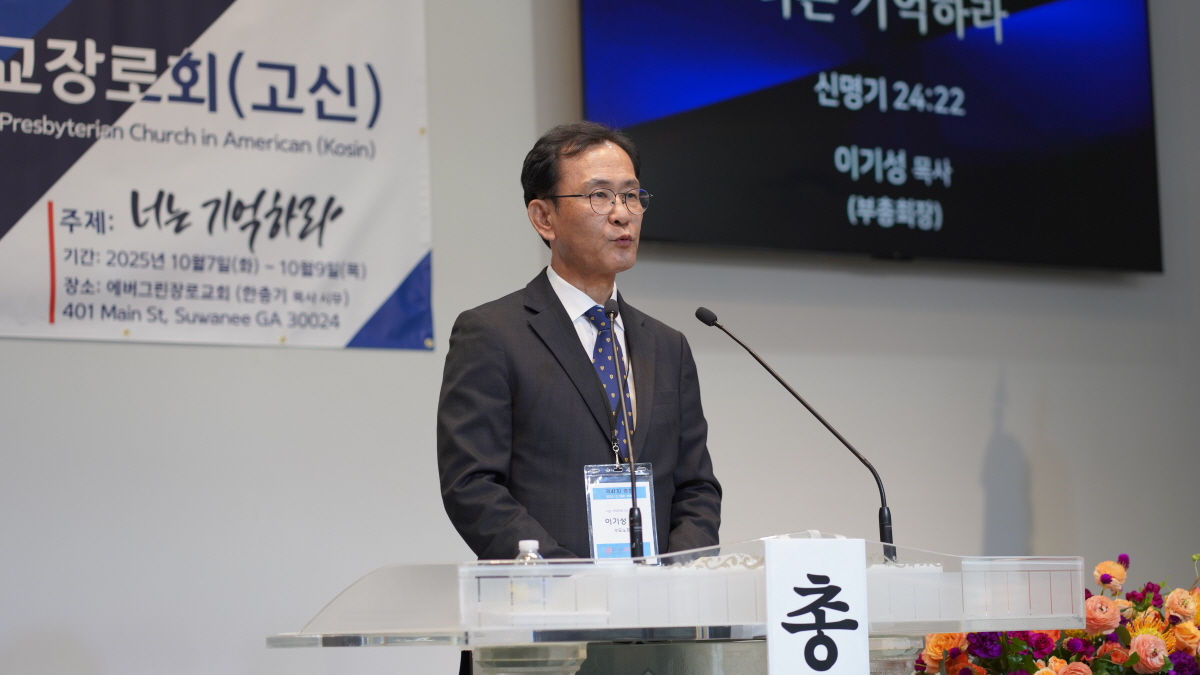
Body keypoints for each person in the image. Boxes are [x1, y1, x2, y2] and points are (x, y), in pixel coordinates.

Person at [436, 121, 721, 559]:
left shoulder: (668, 346)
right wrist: (566, 579)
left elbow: (696, 487)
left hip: (659, 596)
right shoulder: (492, 333)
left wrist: (680, 575)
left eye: (631, 195)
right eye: (599, 195)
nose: (622, 213)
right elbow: (472, 486)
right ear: (543, 218)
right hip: (550, 594)